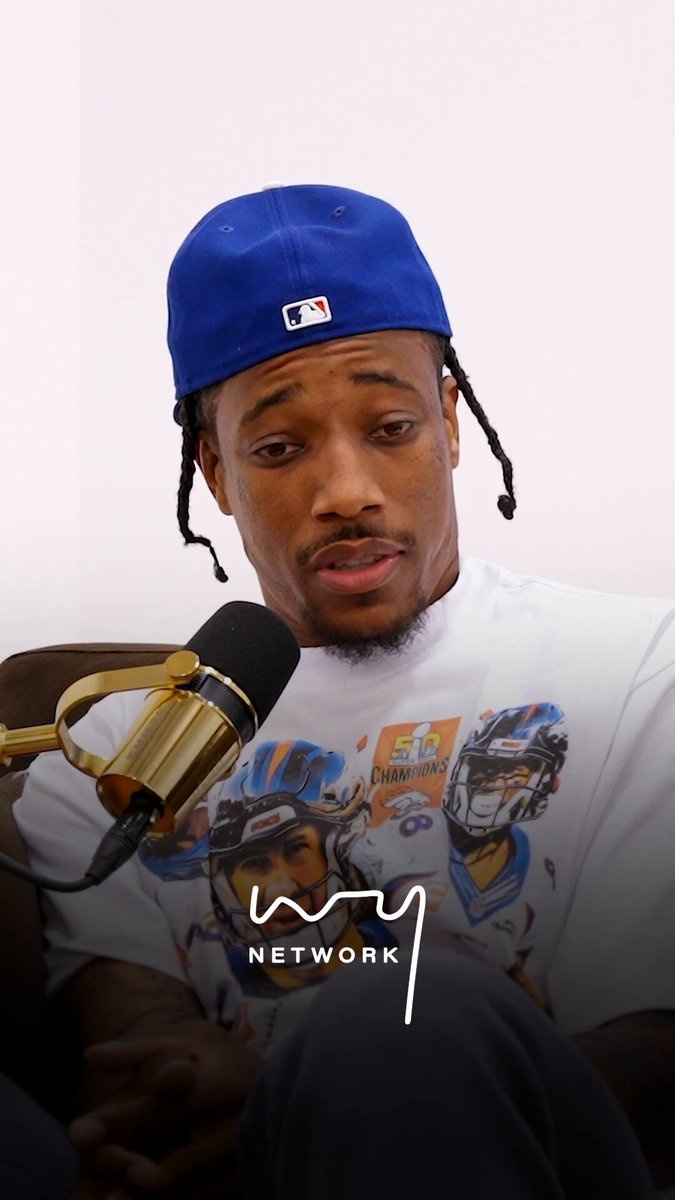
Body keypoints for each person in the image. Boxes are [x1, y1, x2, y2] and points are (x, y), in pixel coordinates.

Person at [13, 183, 675, 1198]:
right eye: (279, 449)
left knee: (403, 1012)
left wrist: (327, 1091)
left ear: (449, 420)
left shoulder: (636, 671)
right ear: (216, 470)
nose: (347, 492)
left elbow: (649, 1055)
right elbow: (135, 1044)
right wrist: (195, 1096)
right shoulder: (108, 752)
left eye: (391, 427)